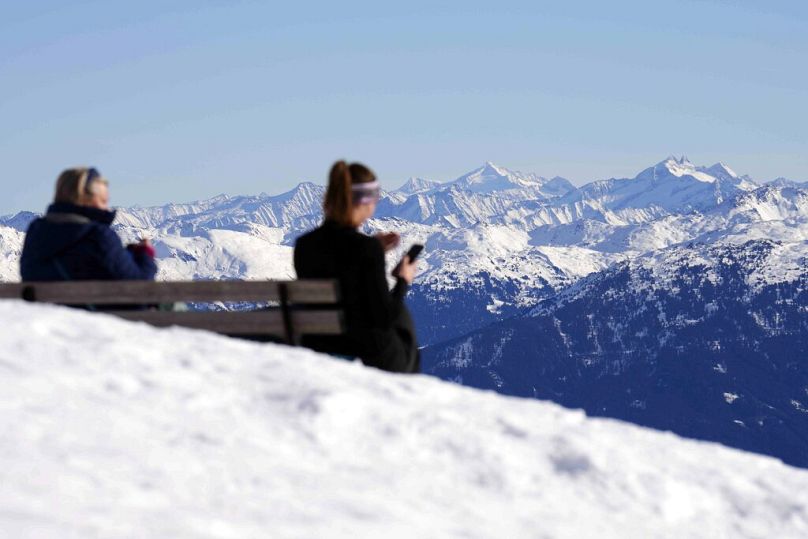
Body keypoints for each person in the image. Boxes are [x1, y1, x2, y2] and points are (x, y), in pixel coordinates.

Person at [294, 161, 420, 373]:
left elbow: (338, 263)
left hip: (319, 345)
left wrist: (374, 251)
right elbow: (384, 317)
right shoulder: (365, 248)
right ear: (364, 201)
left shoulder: (305, 244)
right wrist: (402, 281)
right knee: (403, 322)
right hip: (368, 352)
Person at [20, 167, 157, 282]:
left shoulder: (36, 231)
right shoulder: (99, 237)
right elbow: (138, 286)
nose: (107, 208)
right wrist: (145, 255)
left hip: (47, 314)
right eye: (103, 201)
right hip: (98, 314)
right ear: (84, 199)